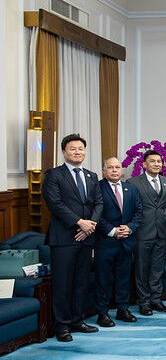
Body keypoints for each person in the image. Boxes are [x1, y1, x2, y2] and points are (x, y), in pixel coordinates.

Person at [42, 134, 103, 342]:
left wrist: (90, 225)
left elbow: (99, 204)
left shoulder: (91, 176)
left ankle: (78, 320)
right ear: (64, 152)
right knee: (63, 284)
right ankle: (62, 326)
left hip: (86, 237)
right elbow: (55, 204)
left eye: (80, 149)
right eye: (73, 149)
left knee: (81, 283)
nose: (77, 152)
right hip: (64, 238)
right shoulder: (54, 175)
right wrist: (80, 222)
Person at [94, 157, 142, 327]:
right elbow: (95, 214)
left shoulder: (131, 188)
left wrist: (129, 228)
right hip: (105, 242)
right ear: (103, 170)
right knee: (104, 279)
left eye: (117, 167)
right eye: (110, 167)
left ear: (122, 170)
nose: (114, 170)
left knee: (123, 277)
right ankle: (103, 313)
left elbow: (138, 212)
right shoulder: (97, 188)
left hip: (126, 241)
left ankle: (123, 309)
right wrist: (113, 231)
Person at [129, 150, 166, 316]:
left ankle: (156, 299)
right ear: (144, 164)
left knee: (157, 268)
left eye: (159, 161)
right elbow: (131, 208)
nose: (156, 164)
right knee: (142, 269)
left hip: (161, 232)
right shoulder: (133, 182)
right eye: (152, 161)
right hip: (142, 232)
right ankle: (144, 302)